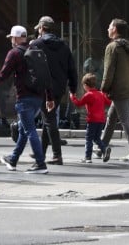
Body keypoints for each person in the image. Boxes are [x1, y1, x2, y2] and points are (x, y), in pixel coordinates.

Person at [0, 25, 50, 174]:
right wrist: (49, 96)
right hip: (38, 97)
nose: (11, 41)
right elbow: (46, 75)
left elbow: (2, 75)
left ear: (16, 38)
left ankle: (40, 164)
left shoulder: (14, 53)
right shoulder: (36, 51)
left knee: (30, 131)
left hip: (24, 99)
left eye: (11, 38)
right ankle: (13, 159)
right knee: (24, 131)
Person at [30, 15, 77, 165]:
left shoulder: (36, 44)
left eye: (39, 28)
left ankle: (57, 155)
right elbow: (72, 69)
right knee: (47, 119)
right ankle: (41, 151)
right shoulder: (64, 45)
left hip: (44, 88)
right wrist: (73, 88)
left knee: (49, 120)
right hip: (59, 89)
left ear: (42, 28)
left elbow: (31, 68)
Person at [99, 18, 129, 162]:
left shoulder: (112, 47)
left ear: (115, 30)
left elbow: (108, 70)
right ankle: (101, 146)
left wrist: (104, 88)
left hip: (118, 88)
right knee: (112, 118)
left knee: (125, 120)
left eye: (110, 27)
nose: (108, 29)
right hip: (128, 87)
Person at [69, 73, 112, 163]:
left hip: (92, 120)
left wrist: (72, 97)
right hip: (101, 120)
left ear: (85, 85)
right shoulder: (100, 94)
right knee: (96, 138)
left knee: (89, 138)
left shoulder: (88, 95)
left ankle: (88, 157)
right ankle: (104, 150)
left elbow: (79, 104)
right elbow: (109, 102)